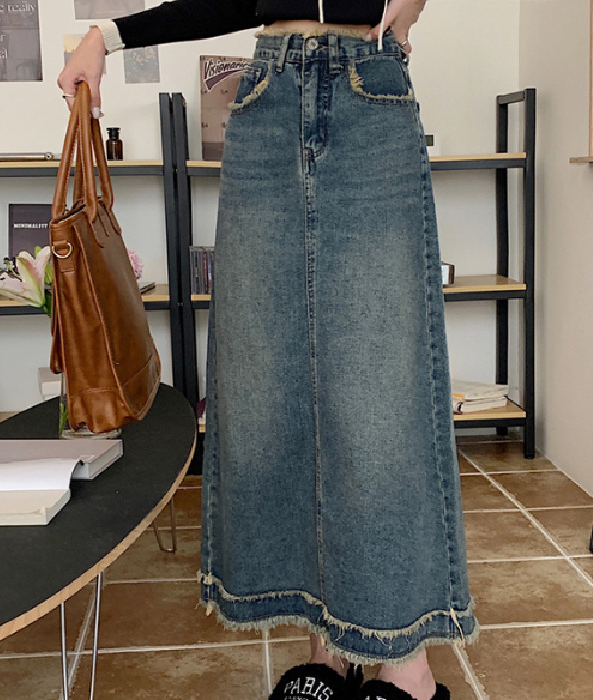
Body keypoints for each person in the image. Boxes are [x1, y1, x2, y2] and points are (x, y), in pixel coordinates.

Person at [58, 2, 478, 698]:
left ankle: (406, 665)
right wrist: (107, 35)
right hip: (266, 96)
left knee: (380, 389)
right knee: (267, 381)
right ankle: (325, 648)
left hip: (370, 96)